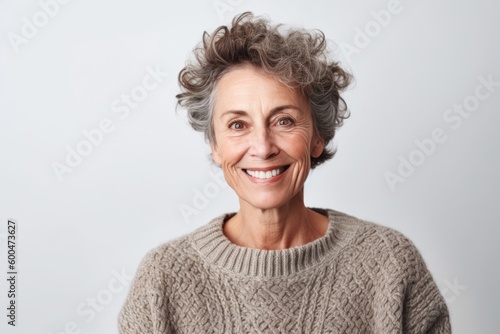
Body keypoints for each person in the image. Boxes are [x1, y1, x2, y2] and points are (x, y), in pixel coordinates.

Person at [119, 12, 451, 333]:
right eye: (238, 124)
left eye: (284, 121)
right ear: (215, 145)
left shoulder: (389, 263)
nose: (262, 147)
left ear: (317, 137)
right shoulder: (162, 279)